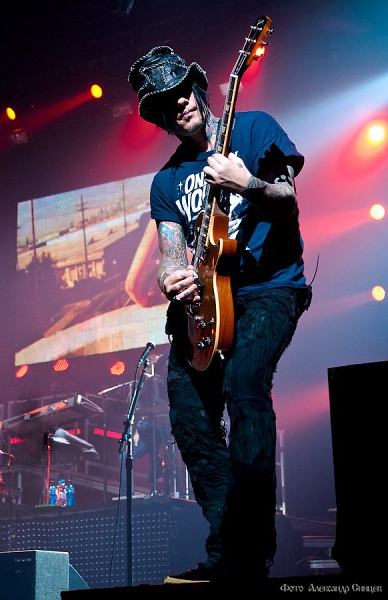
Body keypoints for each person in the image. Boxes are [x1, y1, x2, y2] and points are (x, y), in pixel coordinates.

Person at [128, 45, 312, 585]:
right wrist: (171, 277)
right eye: (164, 102)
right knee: (188, 421)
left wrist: (245, 183)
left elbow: (287, 200)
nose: (178, 103)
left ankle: (253, 548)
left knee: (245, 385)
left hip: (268, 291)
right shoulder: (165, 181)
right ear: (159, 118)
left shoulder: (254, 129)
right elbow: (170, 253)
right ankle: (229, 547)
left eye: (181, 90)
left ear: (198, 87)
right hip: (204, 309)